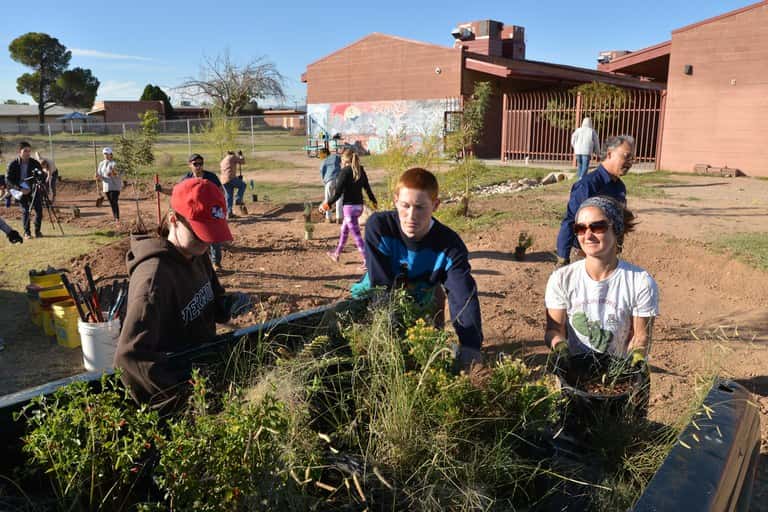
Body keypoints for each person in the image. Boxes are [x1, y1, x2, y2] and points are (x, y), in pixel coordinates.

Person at [114, 178, 251, 412]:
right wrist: (180, 401)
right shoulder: (153, 281)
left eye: (211, 235)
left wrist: (228, 305)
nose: (207, 243)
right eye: (200, 234)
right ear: (174, 220)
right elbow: (130, 358)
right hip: (182, 389)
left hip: (203, 372)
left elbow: (213, 300)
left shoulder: (196, 253)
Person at [353, 167, 484, 370]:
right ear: (396, 200)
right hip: (377, 294)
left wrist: (470, 346)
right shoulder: (379, 227)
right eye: (405, 206)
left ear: (435, 205)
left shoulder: (450, 245)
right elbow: (381, 286)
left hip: (421, 297)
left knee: (425, 354)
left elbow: (462, 295)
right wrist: (388, 337)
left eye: (420, 207)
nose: (411, 216)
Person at [545, 196, 658, 377]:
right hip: (574, 373)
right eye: (580, 229)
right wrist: (560, 346)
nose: (588, 235)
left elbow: (641, 335)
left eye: (598, 227)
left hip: (619, 374)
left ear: (617, 230)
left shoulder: (640, 282)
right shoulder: (561, 279)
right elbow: (554, 329)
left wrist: (636, 356)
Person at [555, 135, 635, 267]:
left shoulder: (619, 186)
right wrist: (563, 259)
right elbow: (570, 220)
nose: (629, 162)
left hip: (608, 254)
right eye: (626, 156)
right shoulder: (588, 185)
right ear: (609, 154)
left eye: (632, 158)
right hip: (584, 255)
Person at [320, 149, 377, 268]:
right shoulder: (361, 170)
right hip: (359, 207)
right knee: (344, 230)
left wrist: (327, 205)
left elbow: (337, 194)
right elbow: (367, 189)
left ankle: (367, 261)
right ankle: (336, 254)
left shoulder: (344, 172)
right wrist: (373, 202)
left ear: (344, 160)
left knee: (357, 236)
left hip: (349, 209)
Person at [5, 141, 44, 239]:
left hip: (33, 190)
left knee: (39, 210)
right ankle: (27, 233)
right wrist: (20, 189)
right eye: (25, 151)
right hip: (19, 191)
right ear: (19, 152)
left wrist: (39, 181)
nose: (28, 153)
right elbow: (8, 180)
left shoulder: (34, 163)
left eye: (29, 151)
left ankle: (37, 231)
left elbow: (41, 175)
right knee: (25, 211)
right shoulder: (13, 164)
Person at [96, 147, 122, 226]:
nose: (106, 156)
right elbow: (100, 175)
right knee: (111, 203)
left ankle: (117, 219)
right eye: (105, 154)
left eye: (108, 154)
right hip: (106, 187)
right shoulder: (101, 164)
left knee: (114, 202)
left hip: (114, 186)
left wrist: (113, 174)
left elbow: (119, 174)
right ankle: (115, 218)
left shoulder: (115, 163)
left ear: (111, 154)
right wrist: (97, 176)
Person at [219, 150, 247, 218]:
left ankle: (229, 213)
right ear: (233, 153)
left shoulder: (223, 160)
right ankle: (238, 199)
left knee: (229, 196)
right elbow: (242, 162)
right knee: (243, 185)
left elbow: (228, 169)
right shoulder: (232, 157)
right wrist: (240, 155)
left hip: (223, 180)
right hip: (230, 178)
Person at [319, 147, 342, 223]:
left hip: (329, 181)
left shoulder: (323, 161)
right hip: (339, 179)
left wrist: (324, 182)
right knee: (339, 198)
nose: (320, 156)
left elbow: (322, 173)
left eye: (321, 154)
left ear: (324, 154)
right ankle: (339, 218)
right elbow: (341, 160)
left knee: (328, 199)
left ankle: (328, 218)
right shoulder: (335, 156)